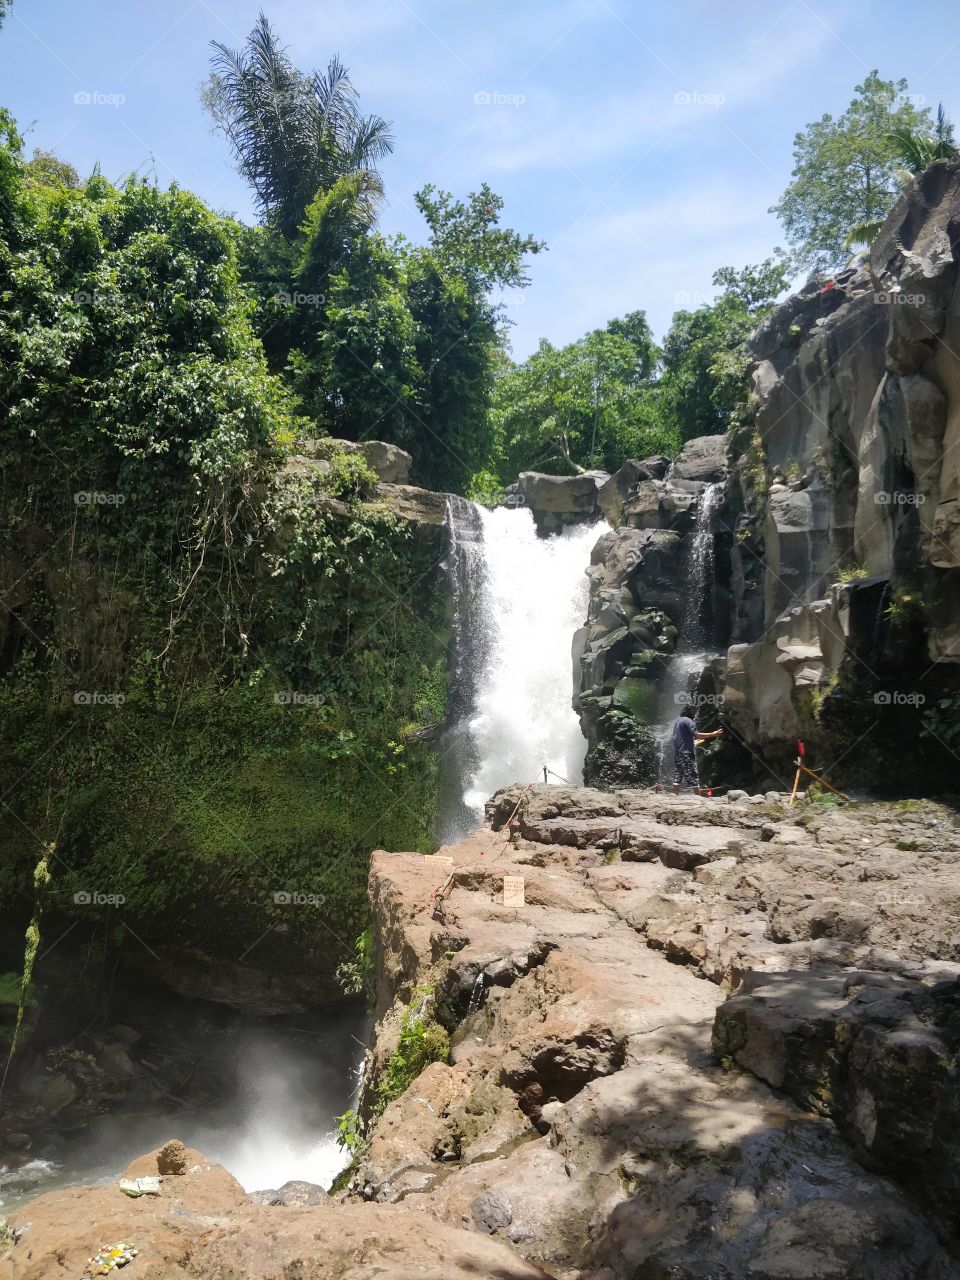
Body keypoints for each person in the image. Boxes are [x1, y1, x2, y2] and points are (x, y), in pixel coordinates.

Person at [672, 709, 722, 794]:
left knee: (678, 775)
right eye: (694, 714)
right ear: (691, 714)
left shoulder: (677, 721)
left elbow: (680, 738)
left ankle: (673, 795)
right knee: (692, 776)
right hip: (686, 753)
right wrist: (713, 734)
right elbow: (696, 735)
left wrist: (691, 742)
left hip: (679, 753)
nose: (695, 716)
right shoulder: (688, 720)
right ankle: (698, 797)